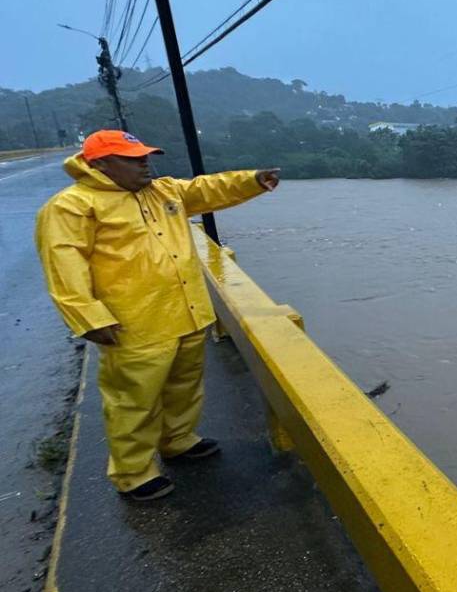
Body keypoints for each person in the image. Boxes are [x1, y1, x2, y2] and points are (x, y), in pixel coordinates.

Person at [34, 129, 280, 502]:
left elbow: (205, 189)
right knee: (135, 400)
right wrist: (89, 318)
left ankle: (178, 440)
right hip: (133, 323)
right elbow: (64, 266)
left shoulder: (163, 191)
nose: (144, 163)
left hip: (186, 310)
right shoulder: (72, 206)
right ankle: (132, 472)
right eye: (132, 159)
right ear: (100, 164)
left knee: (185, 386)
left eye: (144, 156)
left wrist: (252, 181)